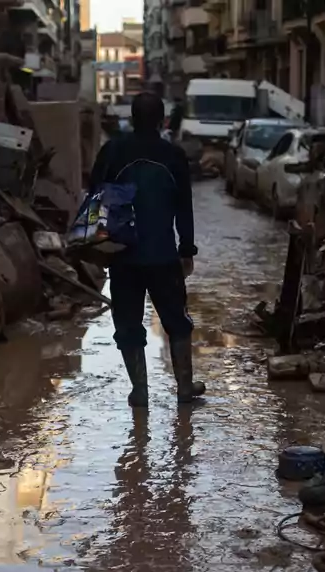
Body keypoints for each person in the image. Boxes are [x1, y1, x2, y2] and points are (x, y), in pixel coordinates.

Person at [88, 91, 204, 408]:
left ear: (132, 118)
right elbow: (185, 206)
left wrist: (96, 243)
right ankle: (184, 388)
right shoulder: (173, 155)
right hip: (164, 256)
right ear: (162, 120)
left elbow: (94, 194)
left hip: (123, 256)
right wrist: (187, 248)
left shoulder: (113, 150)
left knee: (127, 322)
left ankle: (140, 390)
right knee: (176, 321)